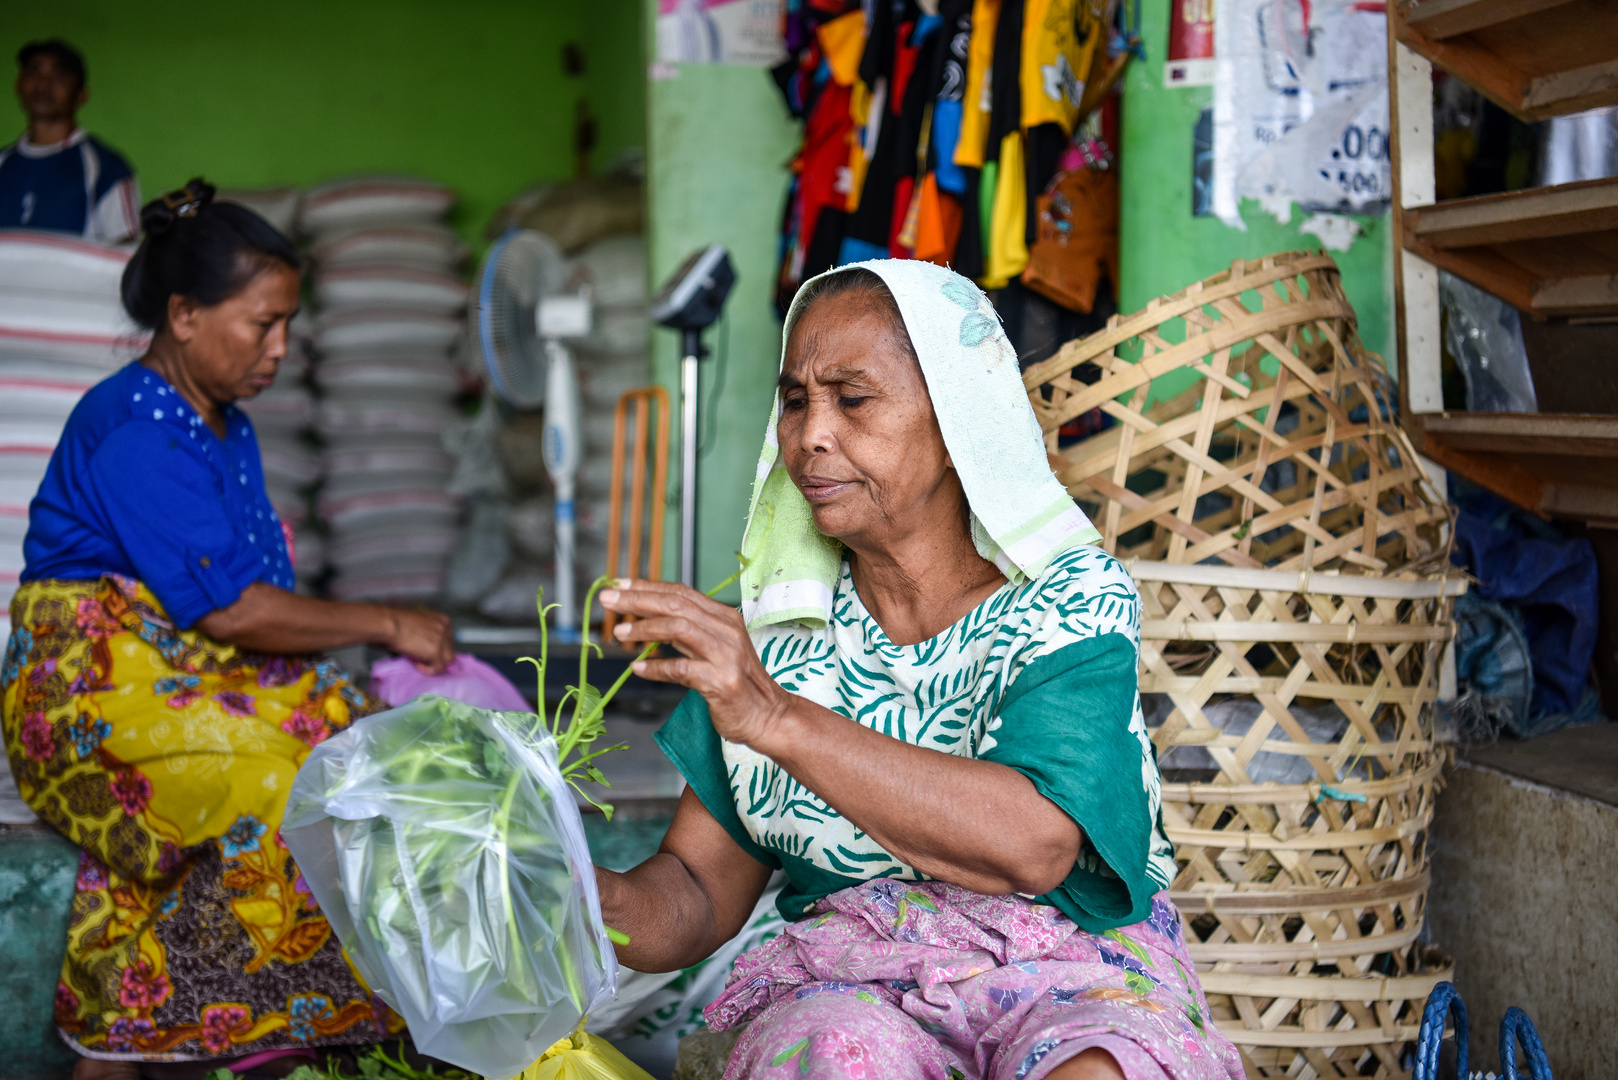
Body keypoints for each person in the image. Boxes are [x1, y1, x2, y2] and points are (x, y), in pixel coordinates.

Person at [596, 261, 1244, 1080]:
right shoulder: (776, 635)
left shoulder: (1064, 602)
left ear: (955, 420)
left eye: (852, 399)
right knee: (831, 1057)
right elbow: (695, 888)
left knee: (1098, 1067)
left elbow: (1034, 844)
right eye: (796, 400)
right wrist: (582, 896)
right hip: (851, 982)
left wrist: (778, 719)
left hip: (1073, 972)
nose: (811, 435)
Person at [1, 179, 454, 1079]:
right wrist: (389, 619)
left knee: (358, 734)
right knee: (267, 777)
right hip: (86, 690)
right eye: (262, 324)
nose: (280, 349)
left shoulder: (225, 425)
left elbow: (241, 605)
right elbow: (229, 607)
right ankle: (251, 1037)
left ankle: (143, 1049)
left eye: (288, 324)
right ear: (183, 315)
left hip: (176, 667)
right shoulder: (134, 426)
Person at [0, 38, 139, 242]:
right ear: (18, 85)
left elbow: (125, 254)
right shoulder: (3, 163)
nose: (43, 83)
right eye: (33, 71)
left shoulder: (107, 169)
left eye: (59, 75)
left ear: (81, 95)